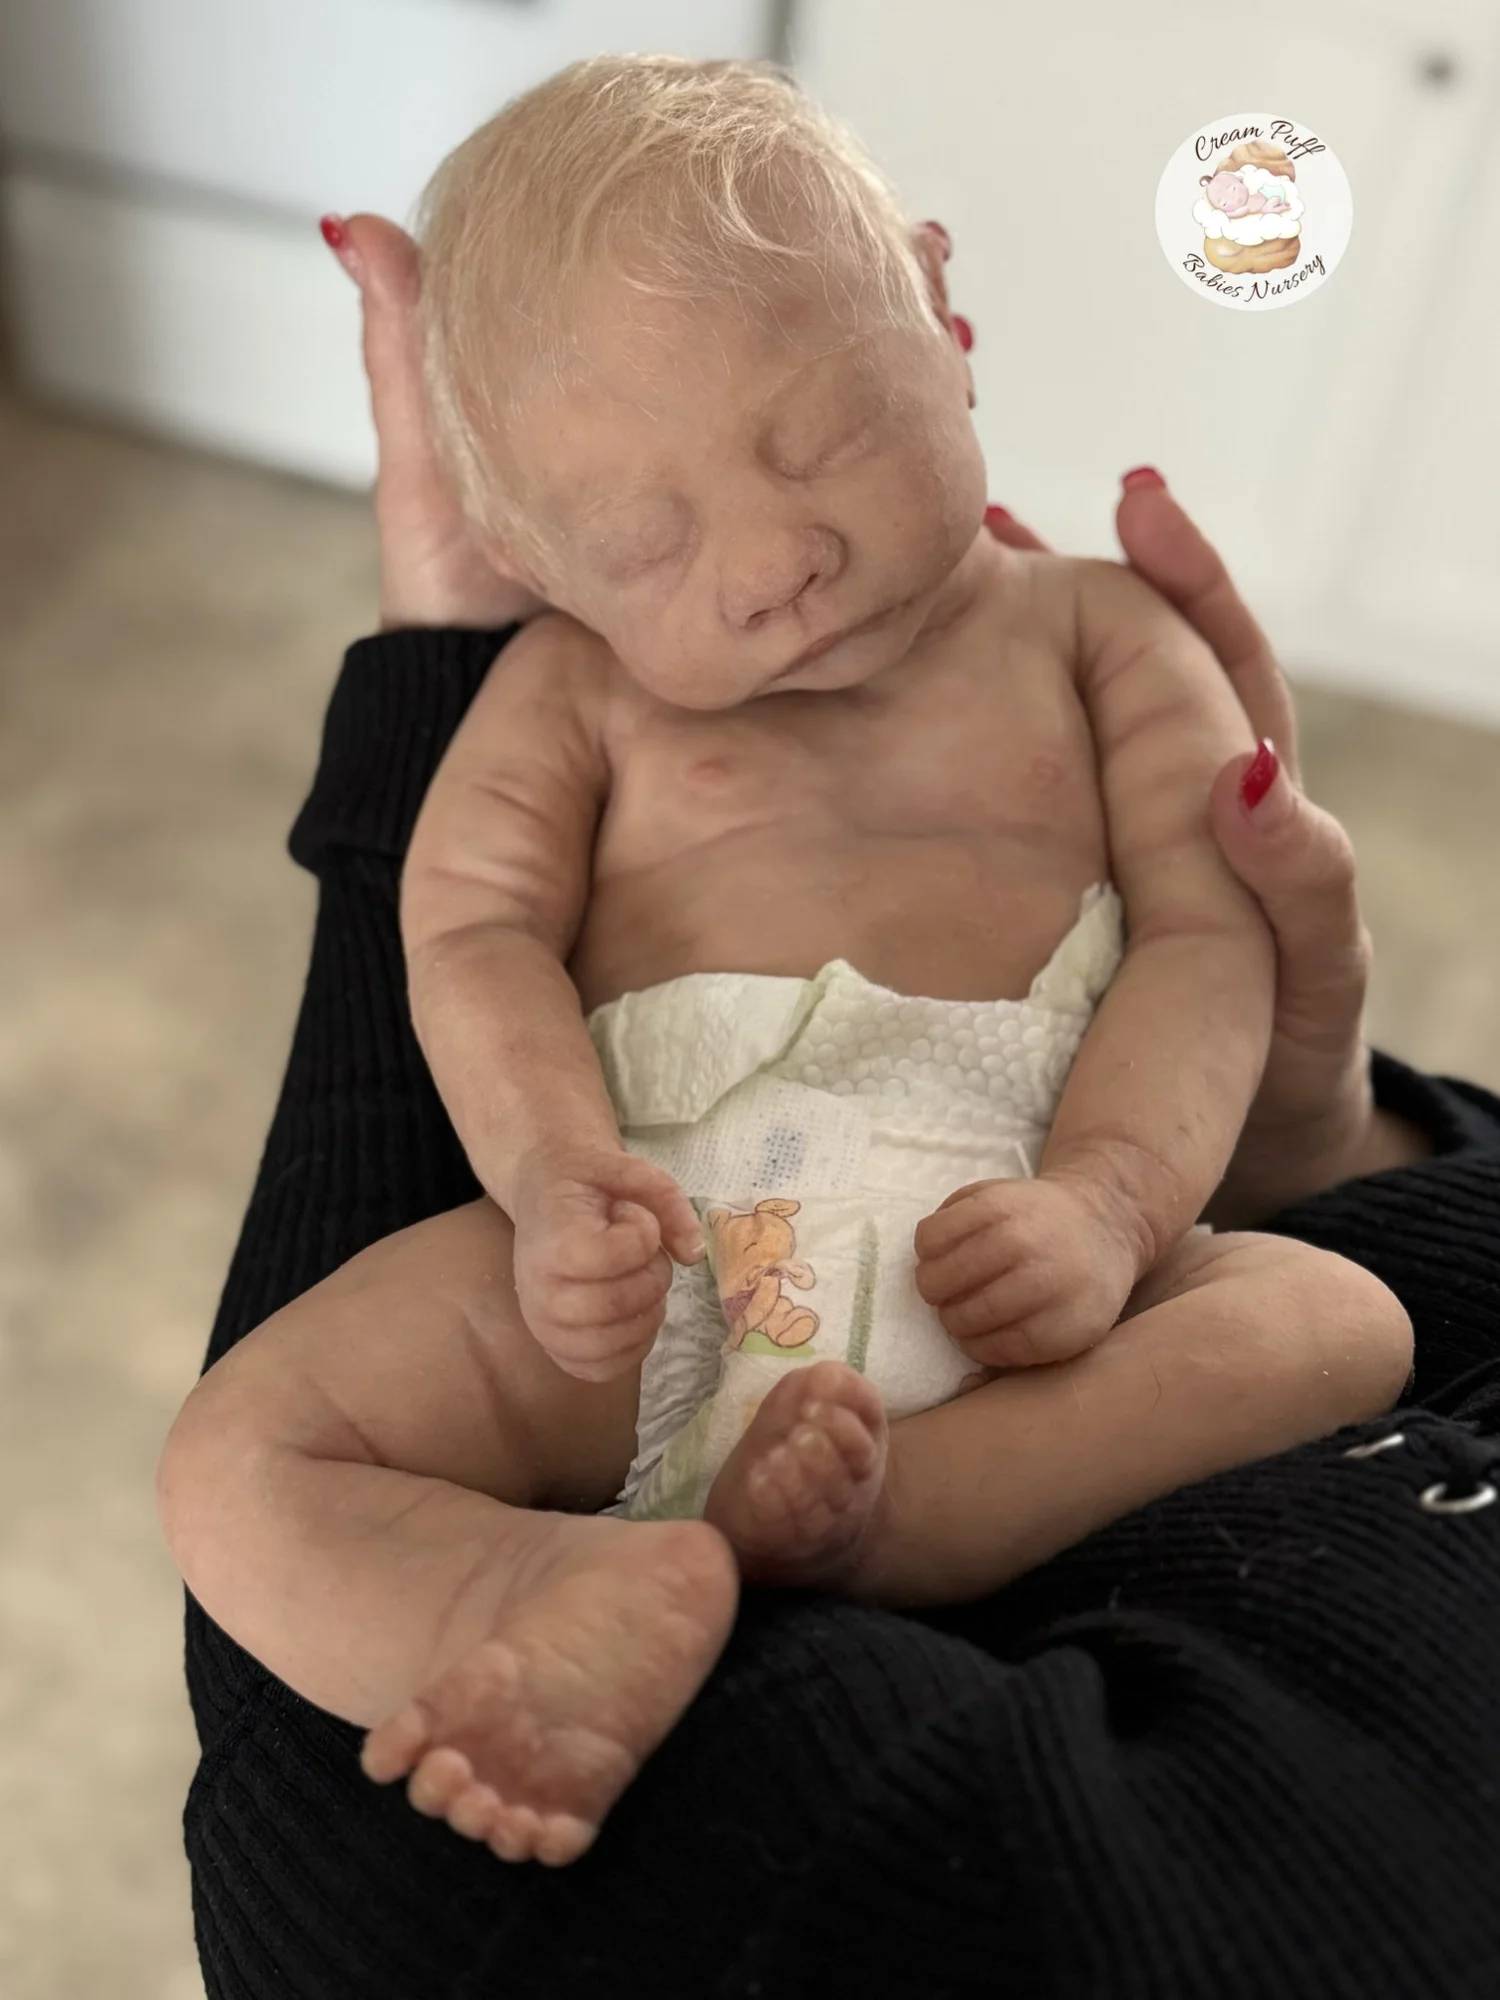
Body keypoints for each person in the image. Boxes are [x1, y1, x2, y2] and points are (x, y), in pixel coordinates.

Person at [170, 185, 1500, 2000]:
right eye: (644, 539)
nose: (772, 556)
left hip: (1023, 1217)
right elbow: (469, 934)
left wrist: (1114, 1203)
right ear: (537, 556)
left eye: (823, 439)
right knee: (244, 1455)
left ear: (943, 322)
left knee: (1330, 1320)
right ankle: (537, 1598)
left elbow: (1210, 942)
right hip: (666, 1237)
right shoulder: (566, 688)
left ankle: (900, 1521)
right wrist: (553, 1177)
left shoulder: (1100, 631)